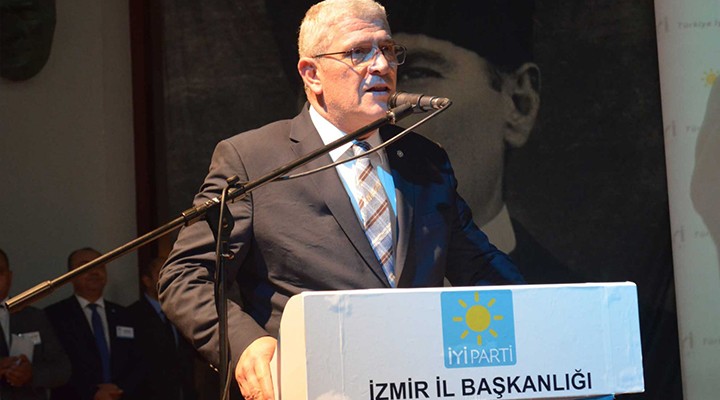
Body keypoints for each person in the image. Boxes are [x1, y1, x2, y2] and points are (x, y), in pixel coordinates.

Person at [158, 1, 524, 399]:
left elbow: (480, 266)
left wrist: (552, 313)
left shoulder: (424, 159)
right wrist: (245, 344)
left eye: (387, 49)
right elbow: (185, 276)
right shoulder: (253, 160)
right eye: (358, 52)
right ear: (311, 74)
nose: (381, 65)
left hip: (419, 383)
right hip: (310, 386)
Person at [45, 248, 146, 400]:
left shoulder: (124, 315)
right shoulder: (54, 315)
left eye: (99, 265)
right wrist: (92, 392)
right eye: (85, 266)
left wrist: (120, 389)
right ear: (70, 276)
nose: (94, 271)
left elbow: (139, 361)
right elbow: (56, 366)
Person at [0, 248, 70, 400]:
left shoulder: (34, 317)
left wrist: (32, 374)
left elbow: (62, 368)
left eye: (0, 272)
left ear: (9, 277)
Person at [127, 257, 197, 400]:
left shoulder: (182, 311)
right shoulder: (132, 315)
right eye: (162, 273)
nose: (169, 278)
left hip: (184, 391)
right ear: (147, 280)